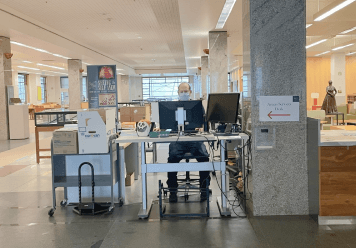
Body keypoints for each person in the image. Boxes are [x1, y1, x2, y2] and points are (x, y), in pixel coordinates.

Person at [167, 83, 210, 202]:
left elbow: (203, 121)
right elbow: (168, 122)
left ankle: (204, 188)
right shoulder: (173, 106)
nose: (184, 93)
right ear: (178, 92)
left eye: (186, 91)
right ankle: (172, 190)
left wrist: (202, 127)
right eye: (182, 91)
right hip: (177, 139)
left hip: (194, 139)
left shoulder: (197, 105)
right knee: (172, 158)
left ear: (190, 92)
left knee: (204, 158)